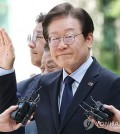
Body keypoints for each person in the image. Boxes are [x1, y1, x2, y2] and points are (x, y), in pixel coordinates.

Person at [1, 3, 120, 134]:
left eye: (69, 36)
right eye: (54, 38)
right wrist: (6, 68)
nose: (61, 45)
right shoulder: (45, 84)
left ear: (89, 39)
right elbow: (13, 119)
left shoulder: (112, 85)